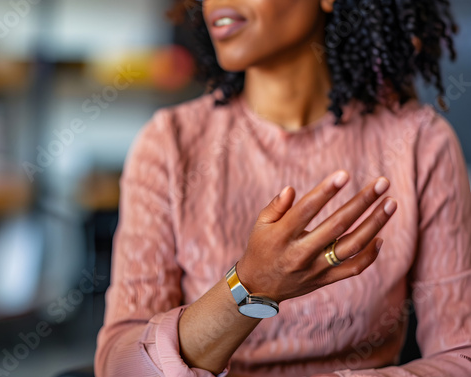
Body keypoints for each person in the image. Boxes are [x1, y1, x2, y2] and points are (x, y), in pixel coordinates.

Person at [95, 0, 471, 376]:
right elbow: (120, 367)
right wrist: (250, 287)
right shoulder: (170, 144)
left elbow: (462, 355)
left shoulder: (420, 144)